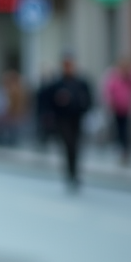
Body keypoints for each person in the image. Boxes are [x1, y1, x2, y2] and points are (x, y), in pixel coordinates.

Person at [44, 55, 93, 189]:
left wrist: (80, 105)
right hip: (62, 119)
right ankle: (70, 174)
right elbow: (48, 101)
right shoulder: (57, 84)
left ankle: (74, 174)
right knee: (68, 145)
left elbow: (89, 101)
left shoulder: (81, 82)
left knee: (75, 147)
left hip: (77, 118)